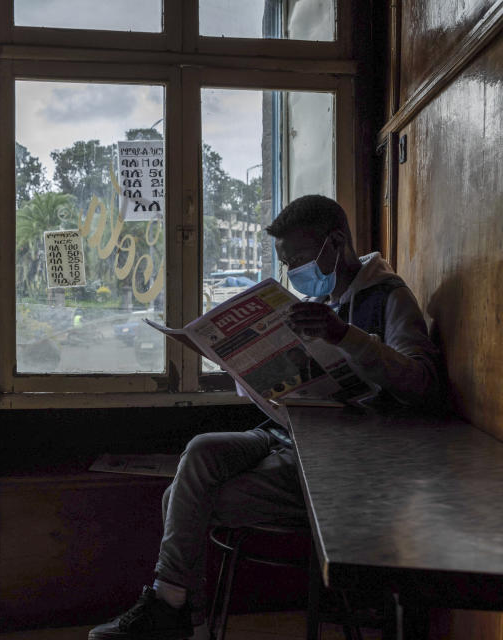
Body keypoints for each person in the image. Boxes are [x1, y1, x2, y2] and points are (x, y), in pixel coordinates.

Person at [88, 195, 443, 639]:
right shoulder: (322, 303)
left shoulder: (389, 297)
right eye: (285, 262)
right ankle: (173, 609)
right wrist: (243, 367)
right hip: (287, 434)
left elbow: (421, 381)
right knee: (201, 450)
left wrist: (345, 337)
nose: (294, 271)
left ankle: (173, 610)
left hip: (340, 465)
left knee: (180, 502)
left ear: (336, 242)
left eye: (298, 258)